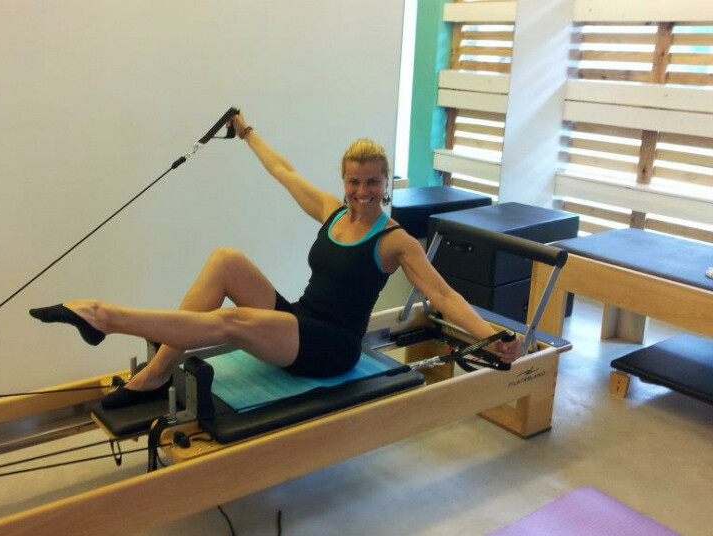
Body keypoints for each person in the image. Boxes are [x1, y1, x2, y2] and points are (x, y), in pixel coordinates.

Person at [30, 112, 523, 409]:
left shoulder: (395, 241)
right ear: (344, 181)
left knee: (233, 322)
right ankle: (157, 373)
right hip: (300, 321)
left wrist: (492, 335)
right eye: (354, 181)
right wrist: (246, 132)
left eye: (373, 182)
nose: (362, 191)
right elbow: (283, 171)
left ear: (386, 182)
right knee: (226, 260)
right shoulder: (332, 212)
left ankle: (103, 316)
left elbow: (443, 295)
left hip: (331, 348)